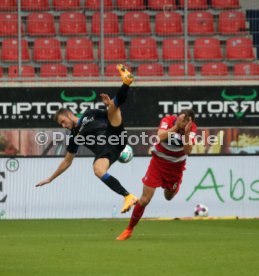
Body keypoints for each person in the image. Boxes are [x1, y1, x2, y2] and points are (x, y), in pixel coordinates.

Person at [36, 64, 138, 214]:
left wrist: (110, 105)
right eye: (61, 124)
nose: (63, 126)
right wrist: (50, 179)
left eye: (63, 121)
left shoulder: (89, 114)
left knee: (112, 108)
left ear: (70, 114)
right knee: (98, 170)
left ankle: (126, 82)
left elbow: (114, 113)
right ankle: (128, 196)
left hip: (113, 135)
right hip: (108, 151)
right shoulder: (74, 137)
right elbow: (67, 161)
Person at [116, 109, 197, 240]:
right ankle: (129, 229)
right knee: (145, 199)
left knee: (169, 196)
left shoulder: (192, 128)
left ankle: (172, 187)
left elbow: (188, 151)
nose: (180, 121)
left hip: (175, 168)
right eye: (180, 118)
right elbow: (160, 137)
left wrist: (186, 134)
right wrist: (176, 127)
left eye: (184, 120)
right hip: (157, 163)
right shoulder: (168, 120)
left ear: (190, 122)